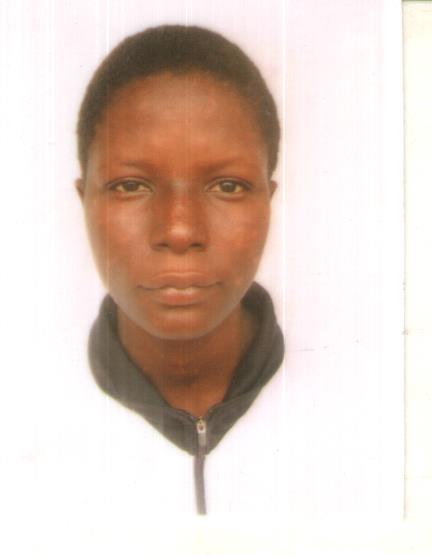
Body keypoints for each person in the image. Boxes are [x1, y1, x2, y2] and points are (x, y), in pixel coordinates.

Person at [76, 24, 284, 515]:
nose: (179, 230)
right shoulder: (19, 423)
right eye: (130, 186)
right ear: (84, 200)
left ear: (268, 199)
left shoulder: (382, 410)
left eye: (228, 186)